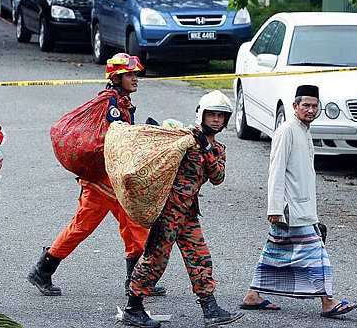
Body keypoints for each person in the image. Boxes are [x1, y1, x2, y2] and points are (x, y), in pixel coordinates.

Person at [27, 53, 166, 297]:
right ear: (116, 77)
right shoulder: (110, 104)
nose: (135, 79)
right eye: (130, 75)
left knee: (134, 227)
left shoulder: (120, 101)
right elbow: (115, 139)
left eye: (135, 74)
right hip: (99, 184)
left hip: (114, 180)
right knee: (81, 228)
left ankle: (136, 282)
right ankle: (43, 269)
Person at [123, 90, 244, 328]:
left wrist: (206, 150)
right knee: (155, 259)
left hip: (188, 213)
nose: (217, 120)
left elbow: (218, 176)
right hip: (167, 211)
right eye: (212, 115)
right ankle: (133, 308)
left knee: (200, 257)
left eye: (221, 116)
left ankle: (210, 308)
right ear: (202, 115)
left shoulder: (217, 149)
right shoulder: (185, 138)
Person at [241, 85, 357, 318]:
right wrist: (274, 208)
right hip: (290, 209)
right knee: (317, 253)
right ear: (295, 106)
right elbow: (276, 170)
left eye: (315, 106)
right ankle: (328, 301)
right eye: (306, 105)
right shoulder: (287, 131)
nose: (311, 110)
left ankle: (253, 295)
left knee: (275, 253)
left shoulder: (304, 130)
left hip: (301, 207)